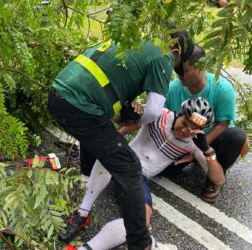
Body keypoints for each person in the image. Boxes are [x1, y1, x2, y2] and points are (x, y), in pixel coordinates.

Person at [48, 35, 187, 249]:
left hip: (58, 95)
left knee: (103, 144)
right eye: (179, 62)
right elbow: (153, 111)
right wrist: (136, 119)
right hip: (81, 106)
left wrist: (124, 110)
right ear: (176, 50)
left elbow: (108, 81)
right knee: (129, 166)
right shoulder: (163, 56)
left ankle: (83, 210)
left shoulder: (135, 40)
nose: (176, 67)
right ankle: (141, 244)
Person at [61, 97, 222, 250]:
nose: (187, 131)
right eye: (185, 123)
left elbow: (218, 179)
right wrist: (132, 110)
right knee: (109, 152)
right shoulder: (160, 115)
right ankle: (82, 214)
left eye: (194, 130)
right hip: (125, 161)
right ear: (179, 114)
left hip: (139, 177)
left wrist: (207, 150)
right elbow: (120, 127)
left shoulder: (195, 144)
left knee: (141, 224)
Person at [162, 44, 249, 203]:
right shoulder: (173, 89)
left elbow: (222, 124)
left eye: (185, 71)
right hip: (184, 140)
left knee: (236, 136)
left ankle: (213, 178)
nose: (180, 75)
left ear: (201, 66)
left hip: (210, 141)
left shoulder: (222, 88)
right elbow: (163, 119)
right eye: (177, 70)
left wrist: (199, 149)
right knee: (162, 172)